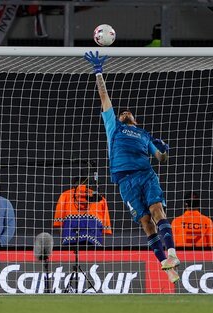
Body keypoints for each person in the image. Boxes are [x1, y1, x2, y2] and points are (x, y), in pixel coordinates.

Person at [84, 51, 180, 283]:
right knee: (146, 224)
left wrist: (164, 150)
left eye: (130, 113)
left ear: (135, 120)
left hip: (146, 175)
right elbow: (104, 97)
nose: (126, 112)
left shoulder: (144, 135)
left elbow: (160, 158)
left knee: (157, 211)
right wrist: (98, 73)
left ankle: (173, 254)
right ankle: (168, 268)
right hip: (125, 181)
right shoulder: (114, 127)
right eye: (124, 112)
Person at [53, 177, 111, 246]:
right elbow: (105, 227)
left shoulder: (65, 195)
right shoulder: (100, 199)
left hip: (69, 238)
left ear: (74, 184)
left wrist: (63, 240)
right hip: (93, 239)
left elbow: (59, 221)